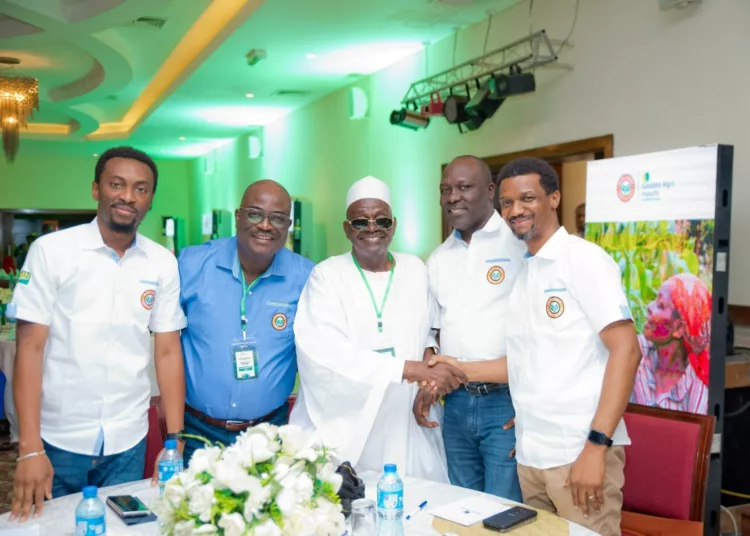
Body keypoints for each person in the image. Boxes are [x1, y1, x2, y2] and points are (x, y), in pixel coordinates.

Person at [429, 157, 641, 536]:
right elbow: (528, 363)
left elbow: (627, 351)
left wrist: (596, 446)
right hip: (530, 456)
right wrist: (452, 368)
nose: (516, 210)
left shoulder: (583, 260)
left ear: (554, 198)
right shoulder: (526, 271)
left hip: (578, 452)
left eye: (528, 198)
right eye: (507, 203)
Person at [9, 147, 187, 521]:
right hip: (57, 438)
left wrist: (174, 439)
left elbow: (168, 351)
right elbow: (29, 347)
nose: (128, 196)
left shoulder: (162, 263)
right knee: (48, 528)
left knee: (120, 528)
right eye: (116, 184)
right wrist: (28, 448)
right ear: (96, 189)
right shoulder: (51, 252)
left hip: (128, 439)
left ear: (151, 198)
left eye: (141, 188)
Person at [290, 176, 466, 481]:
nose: (372, 228)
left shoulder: (415, 269)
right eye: (361, 222)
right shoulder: (327, 276)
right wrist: (409, 369)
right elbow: (324, 351)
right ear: (347, 228)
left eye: (382, 220)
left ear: (394, 225)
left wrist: (428, 379)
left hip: (406, 415)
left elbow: (430, 330)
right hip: (350, 419)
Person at [414, 155, 526, 501]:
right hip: (456, 405)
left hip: (506, 404)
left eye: (464, 187)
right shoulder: (437, 259)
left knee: (503, 513)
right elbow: (431, 333)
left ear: (490, 191)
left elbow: (542, 339)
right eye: (446, 189)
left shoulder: (519, 245)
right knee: (462, 508)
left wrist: (530, 409)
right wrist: (431, 379)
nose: (452, 197)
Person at [178, 180, 314, 464]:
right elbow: (164, 346)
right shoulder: (191, 265)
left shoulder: (307, 278)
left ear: (288, 225)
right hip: (197, 432)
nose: (265, 225)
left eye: (277, 218)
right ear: (238, 216)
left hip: (269, 433)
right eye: (255, 214)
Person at [631, 273, 710, 414]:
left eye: (660, 306)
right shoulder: (636, 351)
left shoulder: (696, 389)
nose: (649, 306)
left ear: (679, 328)